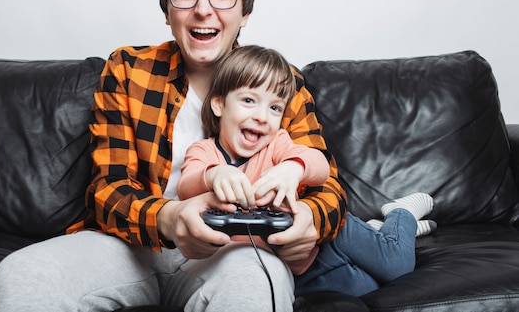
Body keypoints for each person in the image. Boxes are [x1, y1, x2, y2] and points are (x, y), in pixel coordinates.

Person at [0, 0, 347, 312]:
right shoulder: (127, 70)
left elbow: (330, 190)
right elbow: (107, 190)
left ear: (245, 12)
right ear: (167, 10)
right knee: (23, 272)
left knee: (256, 278)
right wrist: (171, 216)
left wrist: (308, 219)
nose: (203, 10)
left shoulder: (280, 85)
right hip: (131, 247)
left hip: (233, 251)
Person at [178, 45, 437, 298]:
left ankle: (401, 216)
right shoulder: (203, 151)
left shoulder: (276, 142)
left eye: (274, 108)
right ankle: (377, 232)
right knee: (366, 289)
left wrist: (293, 167)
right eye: (248, 101)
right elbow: (186, 187)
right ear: (219, 104)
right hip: (295, 268)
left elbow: (319, 163)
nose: (261, 117)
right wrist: (213, 175)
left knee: (396, 267)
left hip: (326, 236)